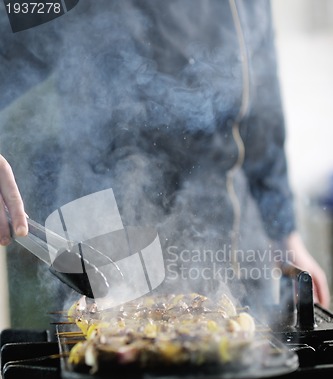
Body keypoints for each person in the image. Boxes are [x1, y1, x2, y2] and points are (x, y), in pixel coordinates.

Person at [0, 0, 330, 327]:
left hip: (232, 248)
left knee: (238, 352)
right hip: (105, 247)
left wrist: (285, 233)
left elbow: (262, 98)